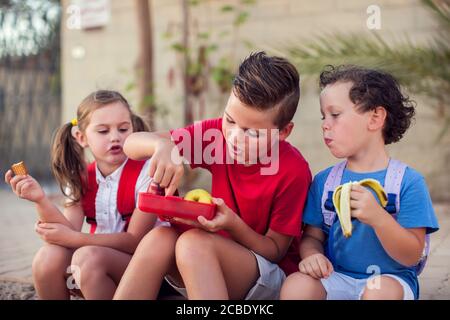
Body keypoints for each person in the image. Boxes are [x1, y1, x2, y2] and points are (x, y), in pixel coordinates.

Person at [113, 52, 312, 300]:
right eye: (230, 120)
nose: (235, 137)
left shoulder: (293, 171)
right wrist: (161, 146)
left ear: (284, 132)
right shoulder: (216, 135)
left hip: (267, 276)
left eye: (253, 133)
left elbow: (274, 251)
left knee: (192, 243)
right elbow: (131, 144)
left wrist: (232, 225)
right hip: (209, 261)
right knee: (159, 237)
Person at [280, 65, 439, 300]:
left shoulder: (407, 182)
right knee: (296, 285)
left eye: (335, 114)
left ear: (375, 118)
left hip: (389, 280)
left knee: (379, 291)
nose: (325, 124)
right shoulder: (325, 182)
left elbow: (411, 255)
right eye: (324, 117)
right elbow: (312, 237)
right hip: (337, 277)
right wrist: (312, 255)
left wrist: (379, 218)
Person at [5, 90, 165, 299]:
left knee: (86, 258)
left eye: (123, 129)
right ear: (81, 137)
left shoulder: (148, 173)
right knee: (47, 258)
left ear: (133, 129)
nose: (115, 137)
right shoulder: (81, 178)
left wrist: (76, 238)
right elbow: (65, 232)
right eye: (103, 131)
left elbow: (134, 241)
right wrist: (40, 199)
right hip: (96, 266)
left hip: (145, 271)